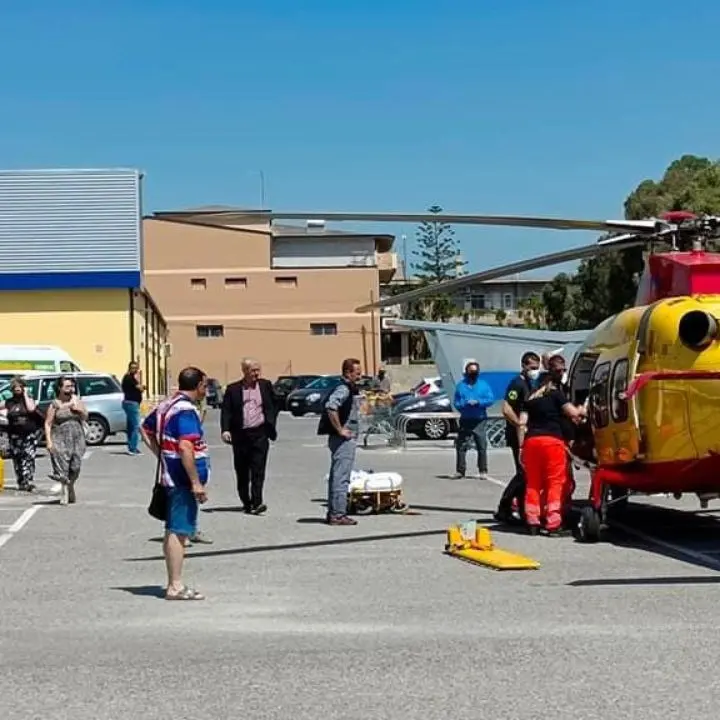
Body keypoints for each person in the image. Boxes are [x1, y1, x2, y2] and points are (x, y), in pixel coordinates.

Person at [141, 366, 210, 601]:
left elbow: (145, 428)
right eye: (205, 384)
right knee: (179, 530)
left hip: (170, 473)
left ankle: (174, 583)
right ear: (198, 385)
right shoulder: (185, 411)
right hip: (181, 479)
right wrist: (196, 482)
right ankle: (175, 585)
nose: (206, 389)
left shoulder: (166, 405)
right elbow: (185, 446)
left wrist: (161, 453)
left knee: (174, 528)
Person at [518, 355, 586, 536]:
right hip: (552, 442)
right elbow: (573, 414)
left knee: (533, 482)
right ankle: (553, 522)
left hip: (531, 443)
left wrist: (520, 447)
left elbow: (521, 423)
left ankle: (532, 520)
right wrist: (583, 409)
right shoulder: (556, 394)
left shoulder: (530, 399)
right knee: (555, 482)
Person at [220, 357, 278, 515]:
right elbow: (226, 411)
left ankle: (257, 501)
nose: (256, 373)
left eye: (258, 370)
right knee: (242, 471)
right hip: (240, 435)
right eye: (253, 370)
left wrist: (270, 422)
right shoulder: (233, 389)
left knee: (258, 469)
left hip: (259, 433)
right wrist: (225, 430)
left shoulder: (265, 385)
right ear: (244, 371)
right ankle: (246, 501)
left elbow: (274, 404)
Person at [495, 351, 541, 524]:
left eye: (537, 367)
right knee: (523, 473)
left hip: (527, 435)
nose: (534, 370)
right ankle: (504, 506)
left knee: (527, 474)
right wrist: (520, 425)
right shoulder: (517, 384)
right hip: (517, 435)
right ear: (523, 366)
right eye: (532, 367)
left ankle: (521, 509)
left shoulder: (531, 383)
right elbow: (506, 408)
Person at [317, 357, 363, 525]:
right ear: (347, 373)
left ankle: (334, 511)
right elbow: (331, 406)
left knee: (338, 475)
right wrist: (340, 429)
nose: (359, 376)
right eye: (357, 373)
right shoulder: (343, 389)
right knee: (341, 476)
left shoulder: (348, 388)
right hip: (343, 439)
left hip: (342, 438)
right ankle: (338, 514)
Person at [44, 376, 89, 506]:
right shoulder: (55, 404)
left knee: (75, 466)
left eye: (72, 386)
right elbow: (48, 423)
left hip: (77, 436)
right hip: (59, 437)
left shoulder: (76, 401)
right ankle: (64, 493)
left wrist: (79, 411)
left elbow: (86, 416)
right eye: (67, 387)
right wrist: (49, 441)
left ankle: (70, 485)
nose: (71, 389)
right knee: (62, 467)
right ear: (60, 388)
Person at [452, 361, 495, 479]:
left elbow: (490, 399)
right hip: (465, 419)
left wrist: (479, 402)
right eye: (471, 372)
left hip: (479, 419)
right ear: (466, 373)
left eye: (475, 372)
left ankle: (483, 470)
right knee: (461, 446)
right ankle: (460, 470)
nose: (473, 374)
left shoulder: (484, 385)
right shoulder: (461, 386)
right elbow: (456, 402)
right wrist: (465, 404)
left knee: (481, 445)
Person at [2, 377, 40, 491]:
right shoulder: (9, 402)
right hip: (14, 435)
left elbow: (31, 409)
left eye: (20, 387)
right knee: (17, 459)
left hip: (28, 434)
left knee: (28, 457)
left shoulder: (28, 399)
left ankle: (28, 481)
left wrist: (26, 394)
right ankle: (21, 481)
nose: (17, 389)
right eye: (15, 387)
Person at [121, 361, 144, 455]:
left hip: (129, 403)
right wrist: (141, 386)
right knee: (136, 426)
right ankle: (133, 448)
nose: (135, 369)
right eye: (133, 368)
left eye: (136, 368)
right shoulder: (129, 378)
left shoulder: (129, 378)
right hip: (132, 404)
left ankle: (131, 447)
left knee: (130, 426)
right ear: (129, 368)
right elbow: (140, 388)